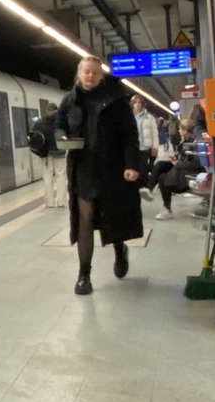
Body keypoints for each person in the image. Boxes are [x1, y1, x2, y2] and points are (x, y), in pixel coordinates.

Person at [56, 56, 144, 295]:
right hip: (83, 169)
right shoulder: (70, 100)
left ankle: (119, 250)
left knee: (111, 217)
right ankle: (84, 274)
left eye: (95, 72)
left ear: (101, 76)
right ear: (79, 73)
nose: (90, 76)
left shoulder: (116, 100)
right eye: (86, 72)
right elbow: (59, 124)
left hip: (112, 169)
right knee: (85, 218)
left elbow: (129, 136)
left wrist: (132, 165)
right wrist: (62, 135)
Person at [27, 103, 66, 209]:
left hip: (45, 154)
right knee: (61, 176)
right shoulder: (61, 122)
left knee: (47, 177)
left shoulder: (40, 122)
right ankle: (61, 201)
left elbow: (33, 137)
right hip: (60, 152)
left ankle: (50, 202)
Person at [130, 95, 158, 201]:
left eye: (139, 102)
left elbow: (155, 133)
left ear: (142, 104)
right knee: (133, 167)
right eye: (135, 102)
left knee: (143, 168)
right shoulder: (129, 116)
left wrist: (155, 147)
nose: (137, 104)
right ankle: (136, 187)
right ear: (132, 104)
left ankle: (144, 187)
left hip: (145, 146)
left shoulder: (149, 117)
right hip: (133, 147)